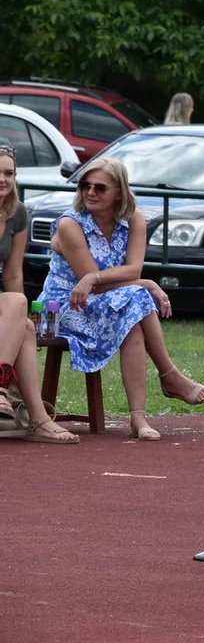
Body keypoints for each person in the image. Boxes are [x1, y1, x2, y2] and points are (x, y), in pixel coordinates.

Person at [38, 157, 204, 441]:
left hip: (110, 299)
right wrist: (145, 284)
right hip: (65, 306)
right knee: (137, 298)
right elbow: (92, 283)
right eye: (85, 185)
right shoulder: (70, 225)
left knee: (134, 307)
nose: (90, 192)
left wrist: (118, 280)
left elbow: (130, 270)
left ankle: (139, 417)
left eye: (100, 187)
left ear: (119, 191)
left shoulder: (133, 220)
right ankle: (166, 380)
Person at [0, 145, 79, 443]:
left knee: (28, 325)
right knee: (20, 311)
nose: (3, 180)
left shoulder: (17, 213)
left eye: (9, 173)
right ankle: (9, 396)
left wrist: (18, 319)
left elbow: (12, 274)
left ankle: (37, 419)